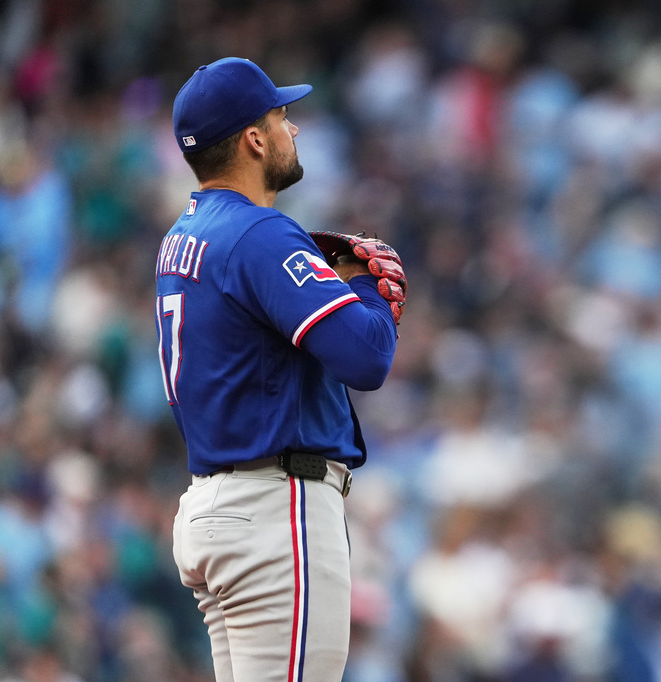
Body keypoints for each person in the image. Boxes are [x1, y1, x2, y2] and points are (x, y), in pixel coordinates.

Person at [157, 57, 401, 682]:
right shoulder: (261, 233)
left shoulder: (184, 233)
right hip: (275, 513)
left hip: (217, 503)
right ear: (254, 139)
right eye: (282, 116)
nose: (294, 128)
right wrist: (371, 289)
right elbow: (366, 356)